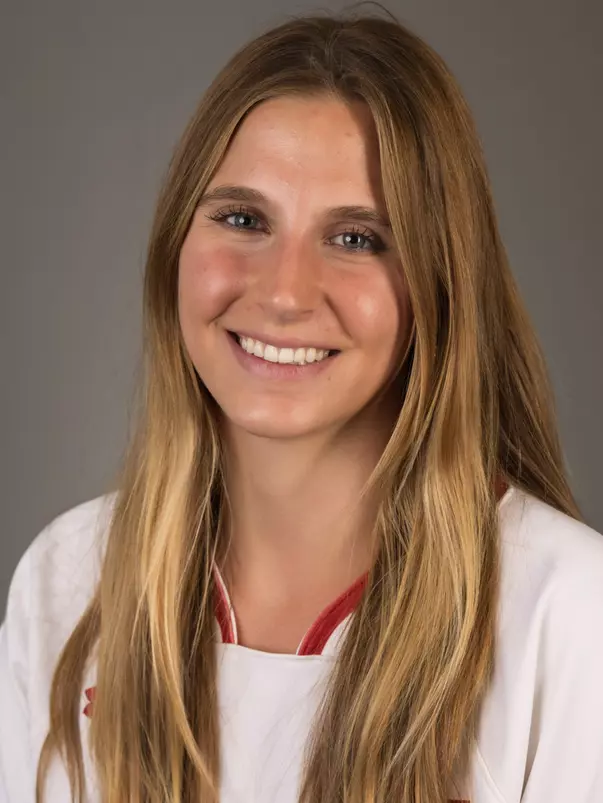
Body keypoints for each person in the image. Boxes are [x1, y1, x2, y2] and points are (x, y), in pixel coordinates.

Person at [1, 7, 603, 803]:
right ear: (173, 248)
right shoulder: (69, 577)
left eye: (356, 237)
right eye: (242, 219)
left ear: (441, 285)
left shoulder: (567, 614)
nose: (284, 291)